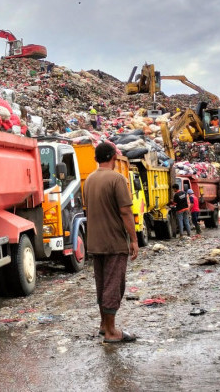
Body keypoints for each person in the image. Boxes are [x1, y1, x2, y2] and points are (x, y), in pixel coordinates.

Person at [83, 142, 138, 344]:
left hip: (94, 241)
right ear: (113, 157)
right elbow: (125, 211)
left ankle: (103, 325)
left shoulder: (89, 180)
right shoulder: (117, 179)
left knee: (102, 283)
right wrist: (133, 239)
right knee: (114, 285)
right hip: (113, 241)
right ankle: (111, 331)